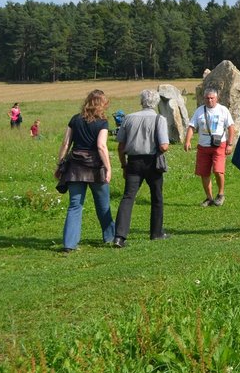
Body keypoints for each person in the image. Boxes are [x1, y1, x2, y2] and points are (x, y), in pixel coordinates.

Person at [55, 90, 114, 252]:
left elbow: (66, 144)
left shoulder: (75, 119)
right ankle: (109, 237)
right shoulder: (102, 122)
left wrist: (60, 164)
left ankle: (69, 244)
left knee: (75, 205)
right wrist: (108, 168)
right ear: (102, 104)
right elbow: (101, 146)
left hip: (75, 168)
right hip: (96, 168)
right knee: (103, 205)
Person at [113, 89, 170, 247]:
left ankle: (119, 236)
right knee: (156, 197)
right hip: (152, 162)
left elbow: (120, 146)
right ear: (156, 103)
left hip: (133, 162)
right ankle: (156, 232)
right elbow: (164, 146)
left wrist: (123, 165)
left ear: (141, 101)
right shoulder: (160, 119)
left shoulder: (129, 118)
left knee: (128, 197)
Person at [184, 89, 236, 207]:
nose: (210, 100)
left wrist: (230, 144)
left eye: (212, 98)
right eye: (207, 98)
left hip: (219, 145)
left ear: (216, 98)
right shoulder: (199, 111)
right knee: (204, 173)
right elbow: (192, 126)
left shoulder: (223, 110)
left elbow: (231, 127)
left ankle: (221, 194)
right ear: (204, 98)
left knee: (218, 170)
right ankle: (209, 198)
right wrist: (187, 141)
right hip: (203, 146)